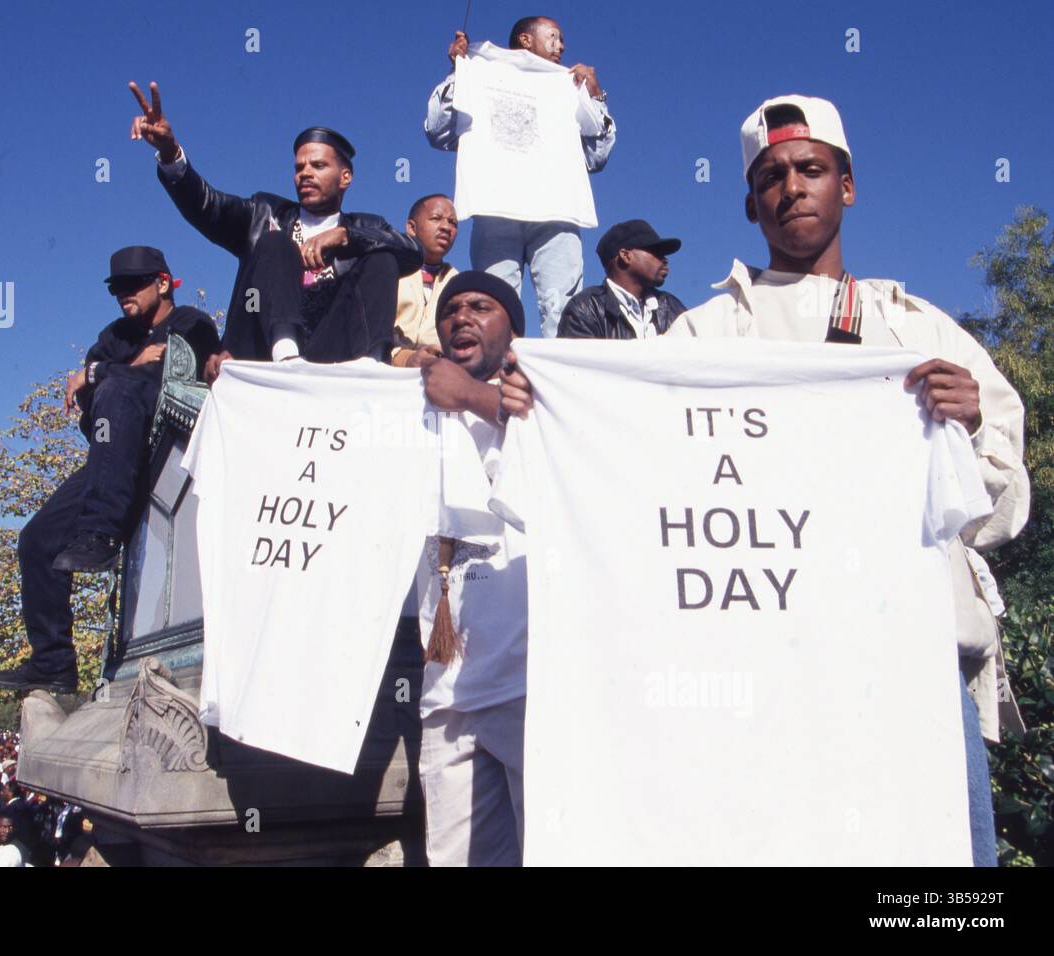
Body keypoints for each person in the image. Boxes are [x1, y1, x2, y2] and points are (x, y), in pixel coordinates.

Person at [501, 94, 1030, 867]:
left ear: (846, 186)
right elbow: (629, 478)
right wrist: (544, 411)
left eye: (811, 169)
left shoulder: (920, 331)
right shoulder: (698, 337)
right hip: (750, 684)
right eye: (772, 176)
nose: (792, 187)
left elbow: (1000, 511)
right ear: (751, 206)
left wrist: (974, 422)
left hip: (906, 676)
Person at [0, 246, 220, 694]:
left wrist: (100, 374)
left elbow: (162, 380)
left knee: (118, 388)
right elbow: (89, 404)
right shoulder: (116, 334)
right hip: (113, 456)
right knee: (36, 540)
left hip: (170, 446)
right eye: (116, 288)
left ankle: (100, 534)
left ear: (164, 282)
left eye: (133, 285)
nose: (123, 295)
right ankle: (53, 663)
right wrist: (114, 371)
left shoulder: (191, 322)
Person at [129, 81, 421, 376]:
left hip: (331, 359)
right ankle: (286, 356)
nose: (305, 173)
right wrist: (169, 153)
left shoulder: (367, 225)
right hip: (260, 356)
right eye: (299, 168)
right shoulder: (264, 212)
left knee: (383, 255)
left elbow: (413, 252)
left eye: (318, 166)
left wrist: (348, 237)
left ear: (345, 178)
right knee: (274, 243)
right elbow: (207, 206)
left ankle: (369, 367)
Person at [413, 272, 528, 865]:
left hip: (529, 682)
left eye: (480, 307)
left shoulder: (543, 396)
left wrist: (469, 394)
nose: (461, 317)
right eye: (450, 309)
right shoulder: (410, 405)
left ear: (514, 328)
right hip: (446, 688)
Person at [425, 17, 615, 338]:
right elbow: (437, 132)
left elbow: (596, 158)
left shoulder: (567, 86)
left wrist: (596, 99)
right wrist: (459, 73)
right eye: (554, 37)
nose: (563, 46)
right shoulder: (481, 73)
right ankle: (495, 385)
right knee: (492, 306)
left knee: (564, 312)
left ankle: (558, 385)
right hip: (496, 207)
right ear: (526, 40)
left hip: (558, 211)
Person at [557, 220, 687, 339]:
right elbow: (579, 363)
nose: (664, 259)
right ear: (625, 255)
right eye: (655, 251)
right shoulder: (586, 309)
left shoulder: (671, 307)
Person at [392, 194, 460, 367]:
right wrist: (402, 357)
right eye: (436, 218)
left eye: (453, 223)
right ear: (411, 228)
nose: (446, 227)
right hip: (384, 369)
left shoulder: (459, 283)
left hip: (437, 372)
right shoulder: (388, 269)